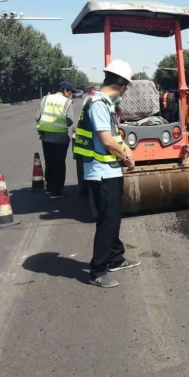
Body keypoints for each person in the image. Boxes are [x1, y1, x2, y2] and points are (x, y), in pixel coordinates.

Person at [73, 60, 140, 288]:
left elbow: (115, 136)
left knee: (112, 218)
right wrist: (126, 156)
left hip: (108, 171)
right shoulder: (99, 104)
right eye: (126, 88)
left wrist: (126, 150)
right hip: (101, 174)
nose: (124, 92)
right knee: (107, 222)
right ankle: (97, 271)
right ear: (121, 86)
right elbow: (106, 140)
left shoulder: (104, 103)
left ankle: (115, 257)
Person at [36, 81, 75, 198]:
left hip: (46, 137)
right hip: (61, 139)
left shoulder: (45, 99)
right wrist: (61, 123)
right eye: (70, 91)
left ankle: (49, 187)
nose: (71, 94)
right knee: (59, 164)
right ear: (65, 90)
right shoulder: (67, 102)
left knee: (49, 161)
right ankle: (57, 191)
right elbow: (70, 120)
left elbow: (37, 117)